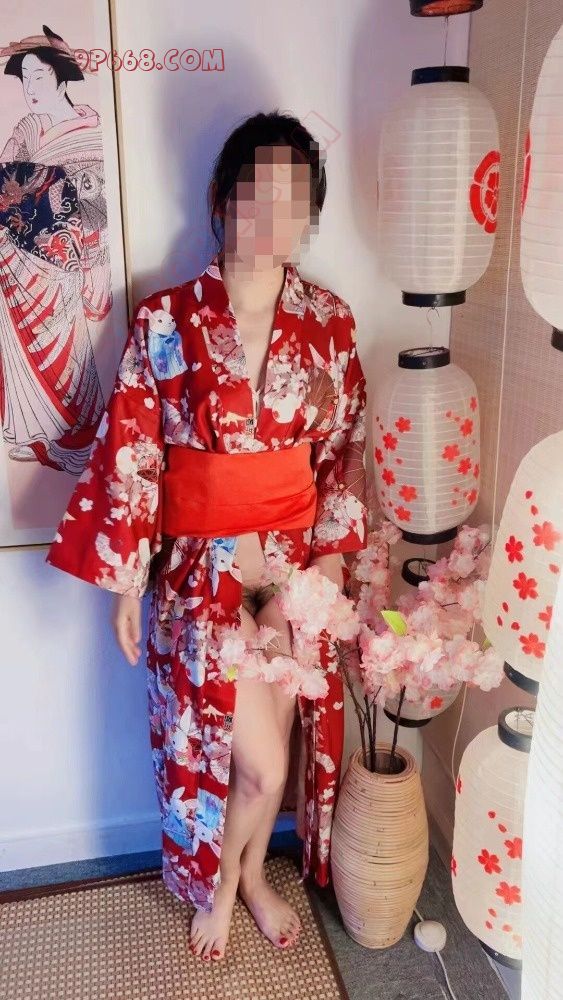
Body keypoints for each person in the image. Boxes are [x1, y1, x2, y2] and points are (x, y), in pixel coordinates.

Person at [46, 110, 368, 963]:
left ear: (309, 214)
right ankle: (223, 888)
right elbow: (133, 450)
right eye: (255, 194)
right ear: (223, 201)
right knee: (253, 764)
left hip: (294, 570)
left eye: (293, 200)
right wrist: (125, 582)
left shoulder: (330, 321)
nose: (272, 215)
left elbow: (343, 452)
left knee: (277, 753)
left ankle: (254, 873)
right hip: (198, 573)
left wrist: (329, 567)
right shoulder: (165, 319)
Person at [0, 24, 111, 472]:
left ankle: (76, 438)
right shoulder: (27, 128)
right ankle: (32, 432)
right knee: (16, 340)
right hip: (20, 256)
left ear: (62, 79)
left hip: (69, 257)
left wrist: (93, 262)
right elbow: (5, 187)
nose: (30, 87)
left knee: (73, 350)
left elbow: (96, 205)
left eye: (39, 76)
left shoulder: (91, 129)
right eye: (24, 78)